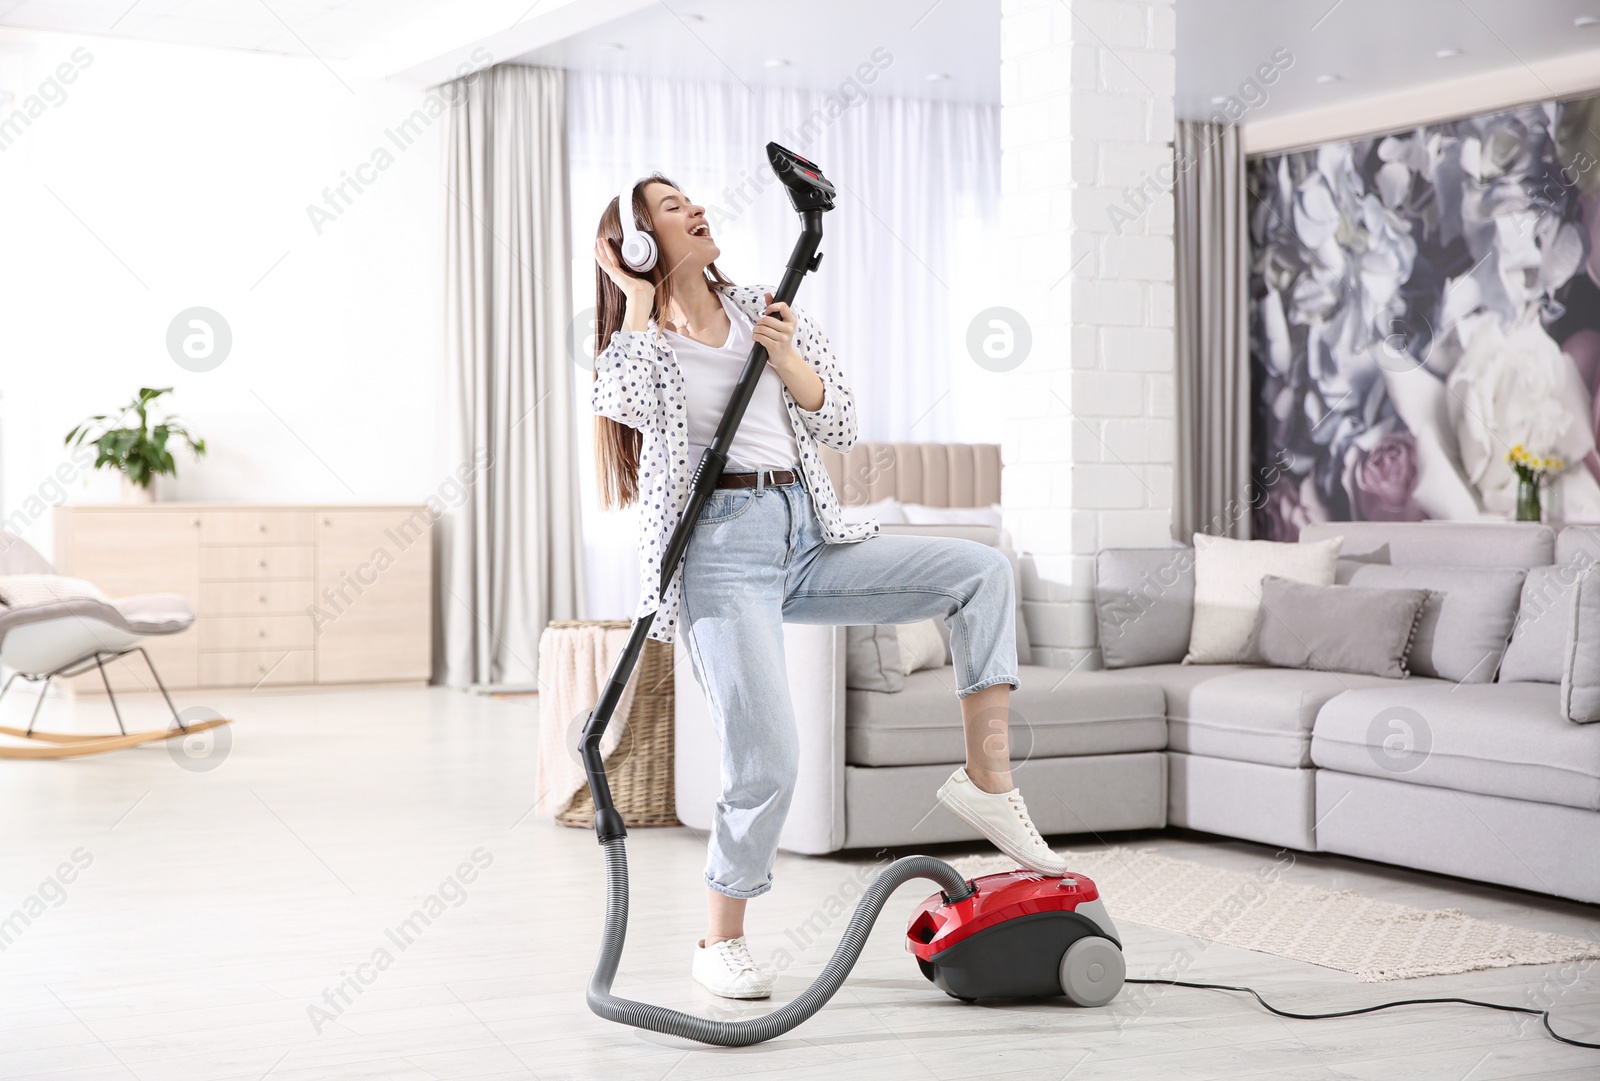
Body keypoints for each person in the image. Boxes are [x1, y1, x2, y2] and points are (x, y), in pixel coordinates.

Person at [590, 173, 1071, 1000]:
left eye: (692, 199)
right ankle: (720, 938)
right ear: (639, 243)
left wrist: (786, 356)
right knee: (768, 753)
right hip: (718, 555)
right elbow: (616, 397)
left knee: (981, 573)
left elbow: (839, 418)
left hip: (807, 533)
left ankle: (988, 784)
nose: (697, 209)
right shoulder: (650, 343)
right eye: (672, 208)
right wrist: (636, 299)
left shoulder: (764, 308)